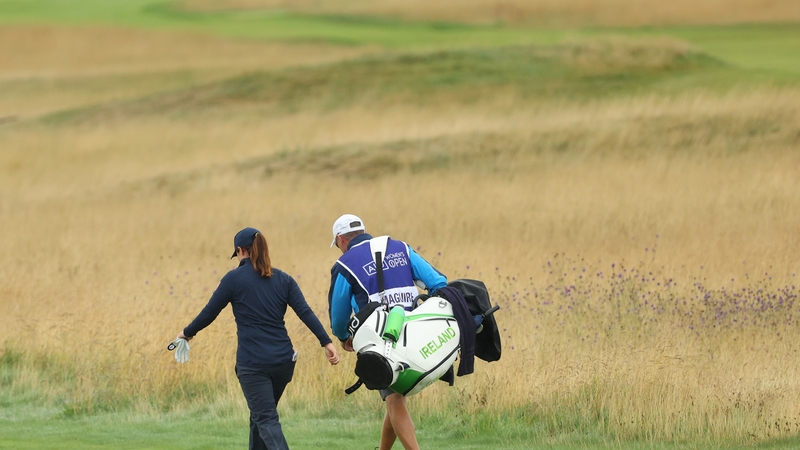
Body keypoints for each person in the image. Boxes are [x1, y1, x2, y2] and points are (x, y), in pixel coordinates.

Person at [175, 227, 339, 450]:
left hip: (254, 365)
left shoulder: (233, 279)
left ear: (240, 250)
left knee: (265, 419)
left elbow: (209, 313)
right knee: (260, 417)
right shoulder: (284, 279)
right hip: (283, 362)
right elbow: (306, 312)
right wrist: (326, 342)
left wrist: (186, 333)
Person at [327, 214, 447, 450]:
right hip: (414, 331)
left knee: (394, 398)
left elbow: (338, 315)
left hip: (380, 340)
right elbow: (439, 282)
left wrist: (343, 337)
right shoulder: (400, 248)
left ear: (341, 240)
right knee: (393, 395)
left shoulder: (344, 264)